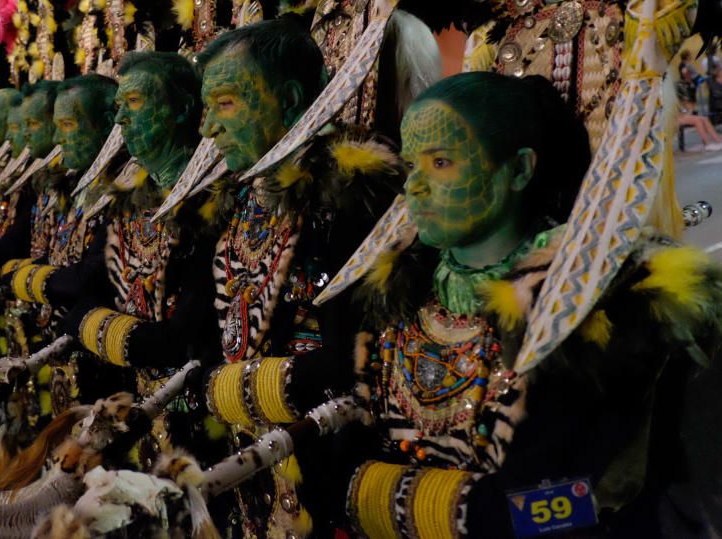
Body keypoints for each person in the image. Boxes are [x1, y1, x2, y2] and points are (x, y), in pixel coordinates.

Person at [297, 72, 722, 537]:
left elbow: (597, 499)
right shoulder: (395, 285)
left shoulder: (600, 307)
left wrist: (455, 511)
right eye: (411, 164)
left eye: (441, 162)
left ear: (519, 170)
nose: (412, 187)